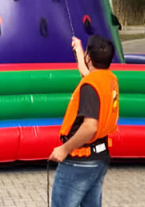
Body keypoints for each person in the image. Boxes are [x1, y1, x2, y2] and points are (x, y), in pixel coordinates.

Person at [49, 35, 119, 207]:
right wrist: (80, 51)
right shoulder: (108, 79)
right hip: (99, 157)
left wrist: (64, 149)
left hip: (80, 161)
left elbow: (90, 126)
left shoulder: (90, 86)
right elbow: (87, 74)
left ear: (90, 57)